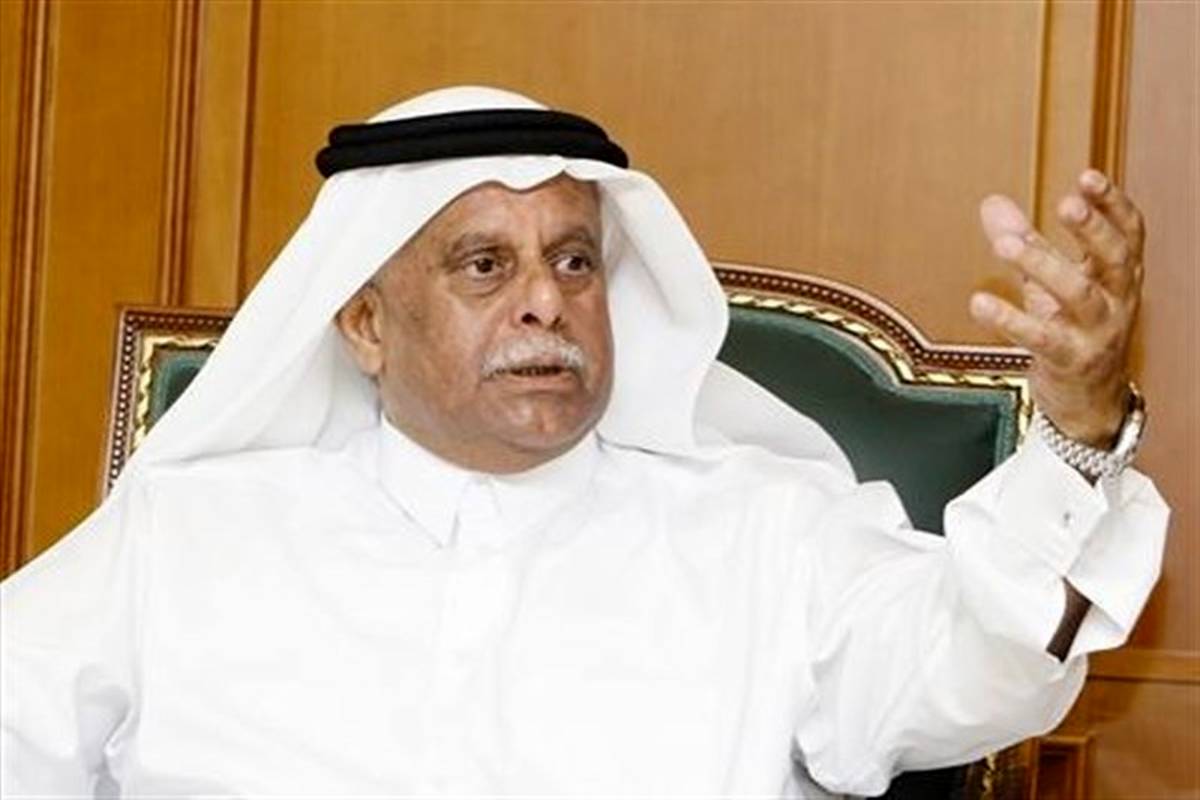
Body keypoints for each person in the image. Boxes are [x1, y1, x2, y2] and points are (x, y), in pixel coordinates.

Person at [0, 86, 1167, 798]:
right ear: (363, 324)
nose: (546, 303)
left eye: (573, 261)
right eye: (484, 265)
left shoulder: (764, 532)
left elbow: (976, 667)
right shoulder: (188, 532)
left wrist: (1076, 424)